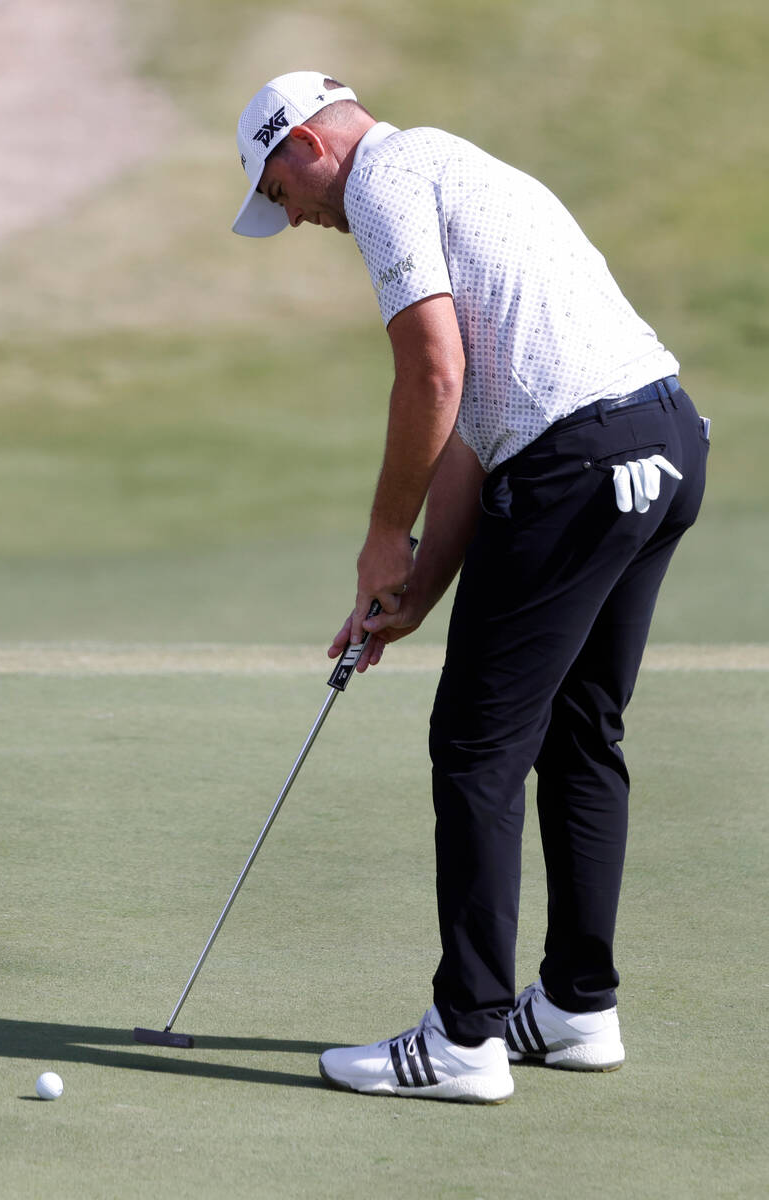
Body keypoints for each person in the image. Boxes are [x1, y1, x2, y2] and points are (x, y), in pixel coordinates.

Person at [232, 71, 708, 1103]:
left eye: (279, 191)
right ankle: (577, 1008)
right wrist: (415, 589)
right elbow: (479, 431)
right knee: (580, 729)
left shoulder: (383, 182)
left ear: (306, 144)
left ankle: (463, 1039)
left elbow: (433, 377)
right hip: (659, 442)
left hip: (577, 464)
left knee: (476, 744)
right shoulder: (460, 166)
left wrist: (376, 536)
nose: (298, 217)